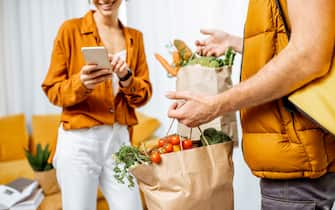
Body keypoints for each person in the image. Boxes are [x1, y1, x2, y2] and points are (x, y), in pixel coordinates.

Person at [167, 0, 335, 209]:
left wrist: (217, 105)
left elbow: (309, 55)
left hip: (299, 157)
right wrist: (236, 42)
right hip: (297, 152)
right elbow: (299, 39)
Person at [42, 0, 151, 209]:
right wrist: (81, 83)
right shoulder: (70, 30)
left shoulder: (135, 38)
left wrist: (126, 77)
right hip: (79, 141)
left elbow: (143, 94)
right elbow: (52, 90)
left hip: (119, 139)